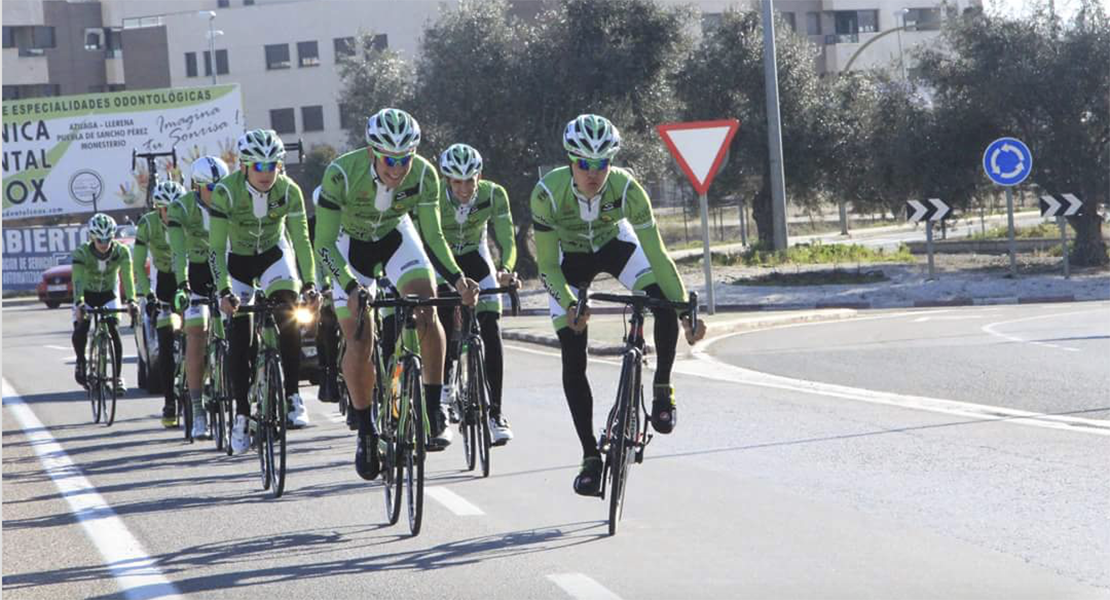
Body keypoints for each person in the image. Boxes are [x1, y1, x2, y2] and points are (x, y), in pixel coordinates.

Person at [531, 114, 707, 496]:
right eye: (583, 164)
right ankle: (590, 457)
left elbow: (658, 255)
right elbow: (545, 266)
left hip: (616, 246)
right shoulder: (547, 193)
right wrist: (569, 303)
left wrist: (683, 311)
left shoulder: (627, 189)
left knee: (659, 298)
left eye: (601, 164)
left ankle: (662, 387)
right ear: (569, 161)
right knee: (573, 354)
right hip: (568, 259)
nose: (593, 174)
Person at [314, 108, 478, 481]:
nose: (397, 168)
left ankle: (434, 407)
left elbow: (433, 236)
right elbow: (322, 242)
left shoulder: (423, 174)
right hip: (348, 246)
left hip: (394, 236)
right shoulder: (341, 173)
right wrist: (352, 286)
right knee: (359, 337)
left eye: (405, 158)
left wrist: (457, 278)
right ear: (372, 151)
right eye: (389, 159)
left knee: (426, 307)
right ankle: (367, 432)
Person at [210, 129, 319, 454]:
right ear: (243, 166)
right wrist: (223, 290)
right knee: (240, 337)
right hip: (238, 261)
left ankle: (291, 396)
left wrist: (310, 282)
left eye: (272, 165)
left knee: (289, 309)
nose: (266, 173)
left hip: (274, 255)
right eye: (258, 166)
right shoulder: (226, 193)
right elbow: (216, 248)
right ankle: (242, 414)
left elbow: (300, 240)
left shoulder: (289, 190)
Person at [427, 143, 518, 445]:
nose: (464, 188)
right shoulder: (434, 195)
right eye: (457, 181)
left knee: (491, 327)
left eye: (470, 180)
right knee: (439, 315)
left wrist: (505, 269)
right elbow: (431, 237)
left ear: (480, 176)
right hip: (442, 259)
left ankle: (496, 413)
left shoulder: (494, 194)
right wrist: (452, 280)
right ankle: (440, 392)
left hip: (476, 256)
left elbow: (506, 237)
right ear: (446, 180)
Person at [168, 156, 230, 439]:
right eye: (210, 188)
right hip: (197, 271)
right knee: (196, 333)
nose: (217, 193)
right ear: (196, 186)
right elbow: (178, 252)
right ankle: (198, 409)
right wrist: (182, 285)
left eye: (221, 187)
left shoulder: (232, 199)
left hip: (227, 269)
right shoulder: (181, 208)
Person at [134, 181, 188, 427]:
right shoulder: (147, 224)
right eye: (166, 208)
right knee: (165, 341)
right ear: (157, 208)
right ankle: (169, 402)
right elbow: (137, 264)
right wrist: (148, 295)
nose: (170, 213)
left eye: (175, 207)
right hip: (163, 279)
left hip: (187, 275)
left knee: (201, 328)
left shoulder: (190, 218)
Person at [72, 213, 137, 391]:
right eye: (100, 239)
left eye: (108, 238)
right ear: (92, 237)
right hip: (86, 295)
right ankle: (81, 361)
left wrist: (131, 301)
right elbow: (77, 279)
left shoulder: (121, 251)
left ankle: (117, 378)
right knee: (81, 328)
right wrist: (79, 303)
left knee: (114, 331)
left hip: (109, 294)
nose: (104, 243)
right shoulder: (82, 253)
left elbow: (127, 277)